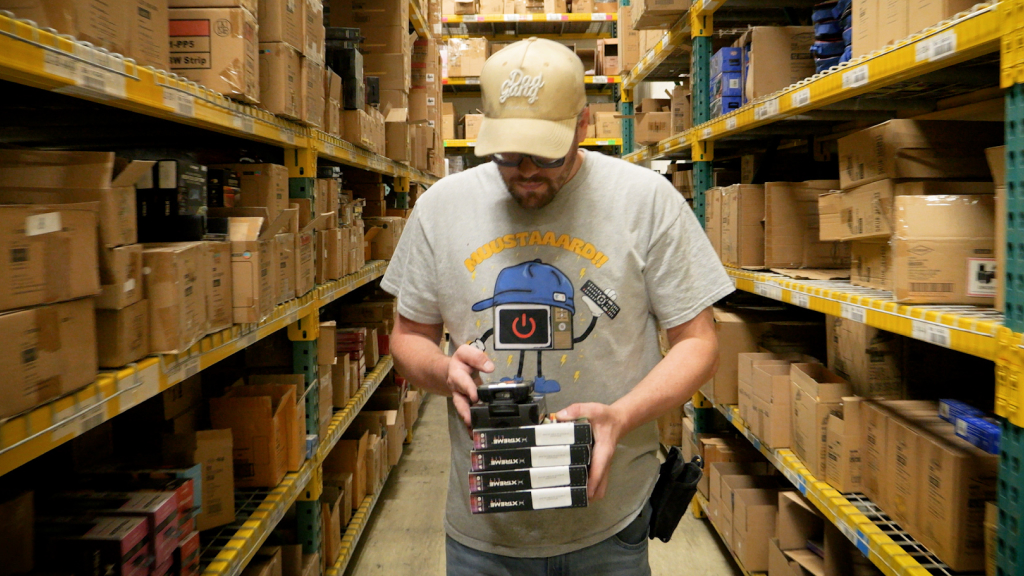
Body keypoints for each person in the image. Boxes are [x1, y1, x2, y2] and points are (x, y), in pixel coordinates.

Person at [382, 37, 734, 575]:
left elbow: (700, 344)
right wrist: (444, 371)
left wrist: (621, 416)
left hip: (609, 523)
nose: (525, 171)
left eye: (546, 153)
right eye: (507, 154)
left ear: (583, 125)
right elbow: (407, 339)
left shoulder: (645, 201)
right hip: (487, 533)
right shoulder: (440, 209)